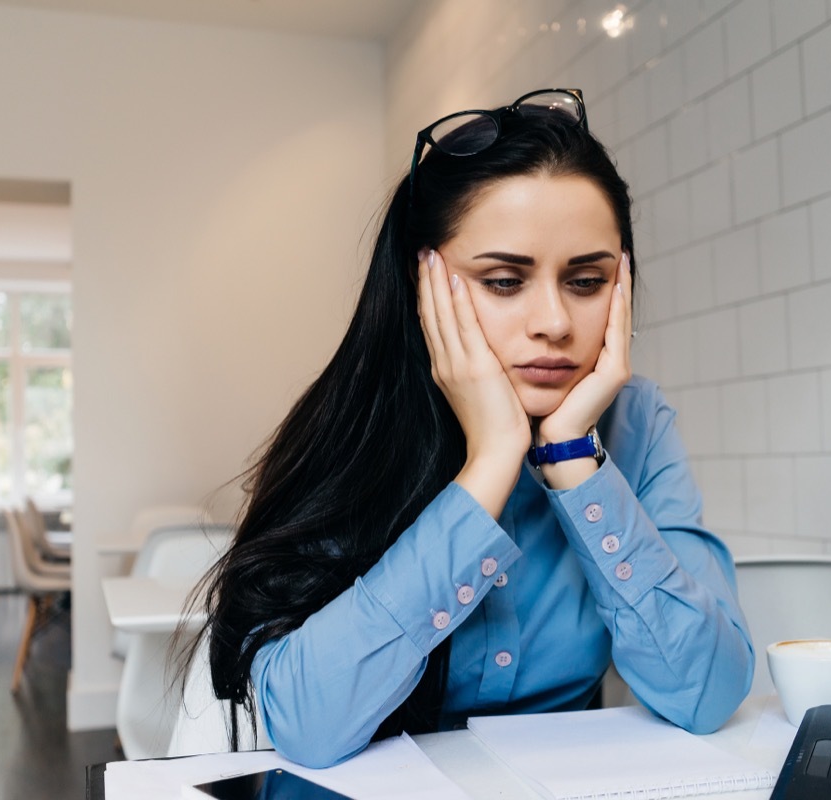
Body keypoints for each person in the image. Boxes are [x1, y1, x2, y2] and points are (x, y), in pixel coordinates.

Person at [188, 88, 754, 768]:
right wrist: (489, 466)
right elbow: (307, 724)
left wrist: (575, 457)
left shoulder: (636, 424)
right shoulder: (358, 427)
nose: (554, 322)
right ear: (420, 283)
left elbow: (709, 693)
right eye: (504, 281)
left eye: (586, 280)